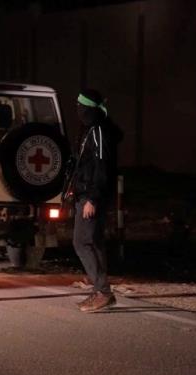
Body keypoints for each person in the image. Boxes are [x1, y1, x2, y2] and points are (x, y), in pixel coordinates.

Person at [72, 89, 123, 312]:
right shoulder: (92, 129)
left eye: (80, 106)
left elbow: (102, 168)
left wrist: (92, 198)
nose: (78, 110)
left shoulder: (99, 131)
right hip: (86, 194)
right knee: (94, 242)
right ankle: (100, 292)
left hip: (92, 196)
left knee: (82, 242)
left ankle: (103, 291)